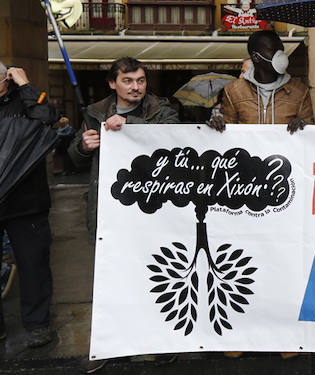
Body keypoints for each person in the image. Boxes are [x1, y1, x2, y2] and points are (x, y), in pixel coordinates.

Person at [69, 57, 180, 238]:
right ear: (112, 83)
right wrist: (83, 148)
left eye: (140, 81)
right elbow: (74, 161)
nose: (136, 87)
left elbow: (172, 138)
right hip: (111, 203)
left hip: (154, 198)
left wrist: (129, 123)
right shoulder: (95, 114)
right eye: (127, 81)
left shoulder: (161, 110)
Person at [0, 62, 59, 348]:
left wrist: (26, 87)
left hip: (26, 202)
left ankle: (38, 325)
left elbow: (49, 117)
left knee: (33, 264)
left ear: (5, 80)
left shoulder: (25, 102)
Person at [208, 30, 314, 132]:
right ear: (256, 57)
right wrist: (218, 126)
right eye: (273, 50)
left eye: (281, 50)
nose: (280, 56)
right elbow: (229, 132)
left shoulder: (299, 92)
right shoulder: (233, 91)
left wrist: (303, 126)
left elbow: (311, 134)